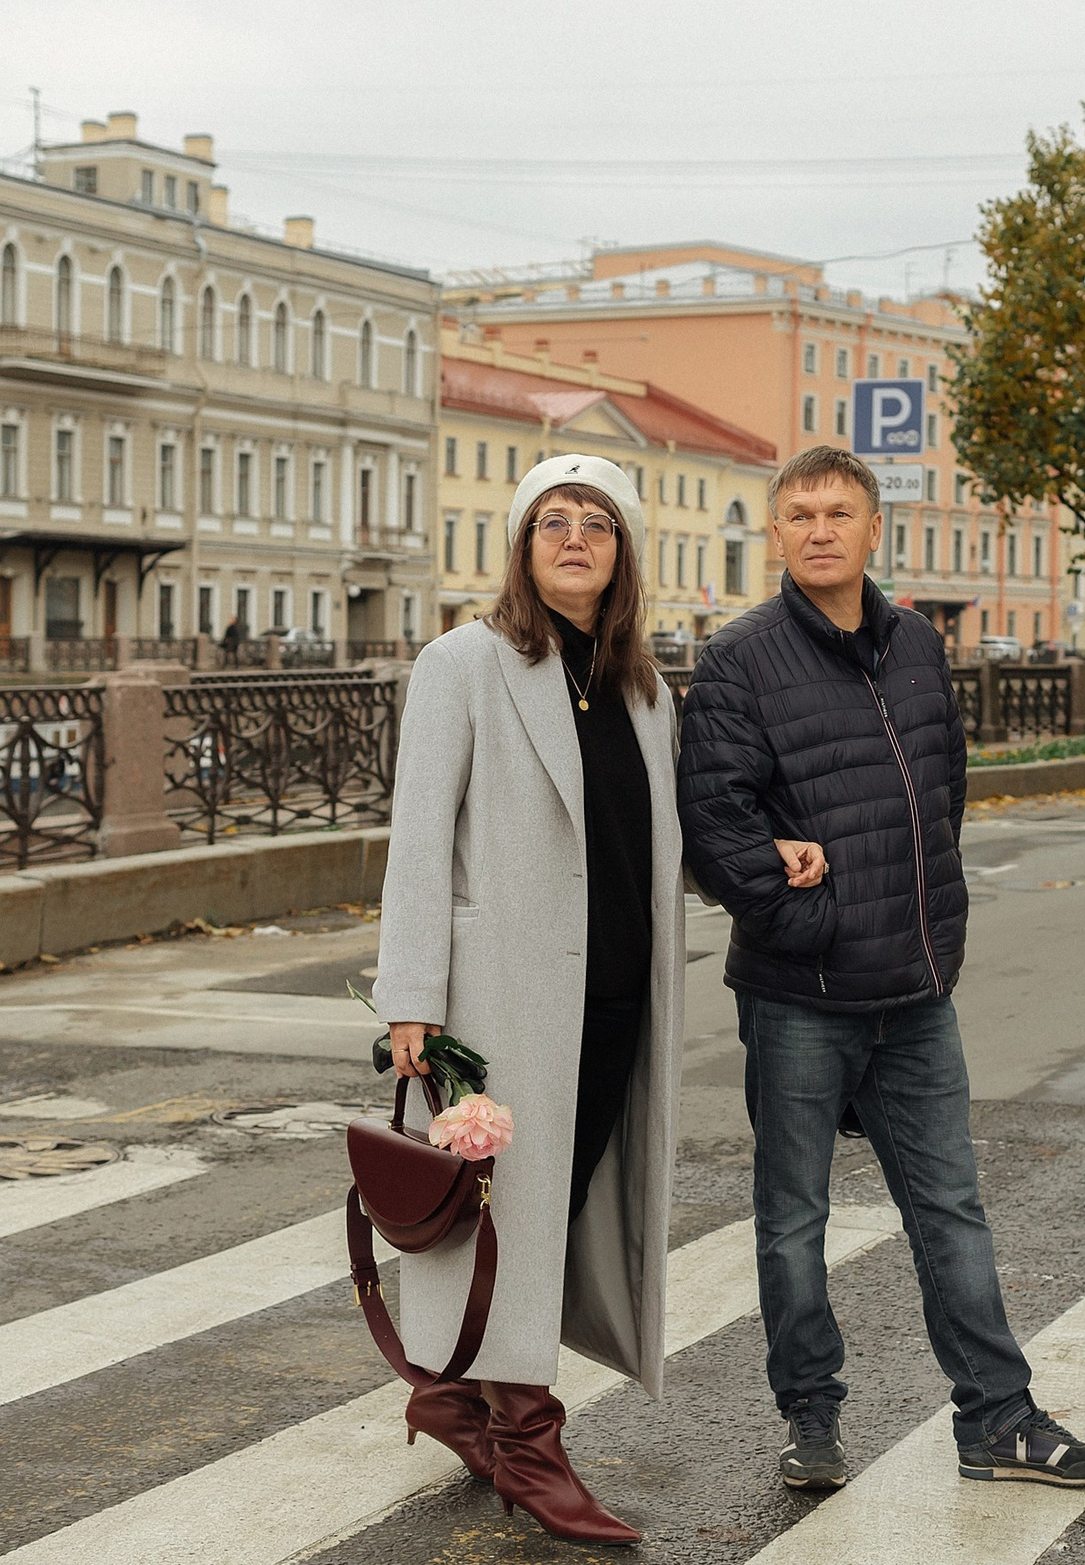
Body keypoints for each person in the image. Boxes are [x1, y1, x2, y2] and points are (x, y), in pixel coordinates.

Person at [677, 445, 1085, 1493]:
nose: (819, 529)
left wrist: (933, 930)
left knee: (952, 1208)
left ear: (876, 528)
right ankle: (811, 1418)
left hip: (916, 993)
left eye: (838, 510)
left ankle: (998, 1418)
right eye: (798, 515)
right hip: (800, 995)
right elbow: (714, 826)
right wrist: (816, 922)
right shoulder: (739, 659)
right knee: (794, 1218)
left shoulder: (919, 645)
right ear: (777, 536)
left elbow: (944, 796)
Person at [372, 453, 684, 1546]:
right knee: (508, 1208)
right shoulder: (464, 662)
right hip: (500, 991)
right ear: (522, 544)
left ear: (622, 550)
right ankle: (528, 1435)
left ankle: (453, 1395)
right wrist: (410, 998)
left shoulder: (642, 686)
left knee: (562, 1196)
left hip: (615, 992)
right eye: (552, 520)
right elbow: (418, 838)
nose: (574, 536)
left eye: (597, 522)